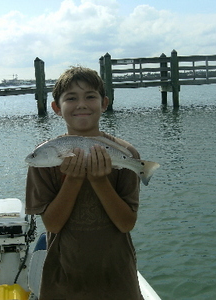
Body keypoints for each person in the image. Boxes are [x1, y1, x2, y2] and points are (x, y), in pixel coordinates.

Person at [25, 66, 144, 299]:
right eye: (71, 98)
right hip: (63, 281)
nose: (81, 104)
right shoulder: (44, 158)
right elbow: (53, 225)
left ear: (104, 103)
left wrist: (100, 182)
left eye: (90, 96)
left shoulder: (126, 154)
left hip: (118, 279)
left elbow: (126, 223)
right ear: (57, 108)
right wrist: (74, 179)